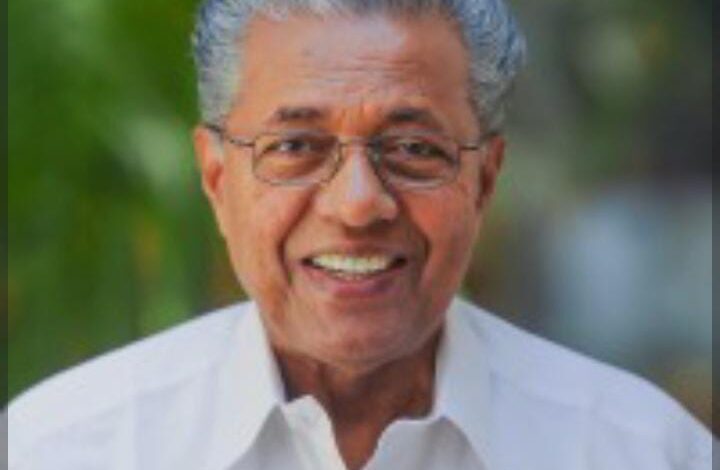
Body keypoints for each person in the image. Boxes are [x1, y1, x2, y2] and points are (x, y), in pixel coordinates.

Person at [8, 0, 713, 469]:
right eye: (295, 147)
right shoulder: (64, 449)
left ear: (485, 180)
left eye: (413, 149)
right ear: (217, 180)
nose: (357, 205)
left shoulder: (641, 452)